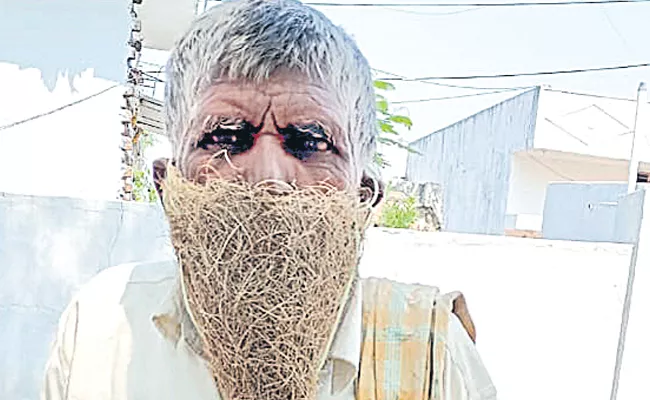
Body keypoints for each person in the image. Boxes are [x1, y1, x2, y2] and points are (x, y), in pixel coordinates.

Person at [42, 1, 496, 399]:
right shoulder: (99, 331)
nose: (268, 179)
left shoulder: (433, 355)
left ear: (364, 198)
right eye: (225, 138)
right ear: (168, 188)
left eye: (312, 141)